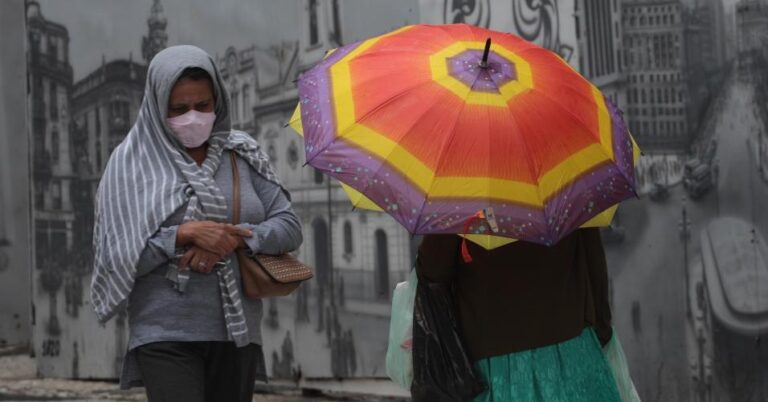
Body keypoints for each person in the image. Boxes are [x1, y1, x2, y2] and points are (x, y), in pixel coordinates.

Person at [90, 45, 302, 402]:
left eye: (203, 106)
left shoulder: (243, 153)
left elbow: (290, 227)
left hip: (236, 335)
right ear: (159, 107)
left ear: (217, 101)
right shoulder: (131, 164)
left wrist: (234, 239)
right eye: (179, 109)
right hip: (164, 333)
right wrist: (182, 235)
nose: (193, 116)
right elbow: (117, 260)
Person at [417, 229, 636, 402]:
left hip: (495, 371)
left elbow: (433, 271)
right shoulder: (564, 181)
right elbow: (594, 267)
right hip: (572, 356)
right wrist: (601, 334)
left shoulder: (463, 190)